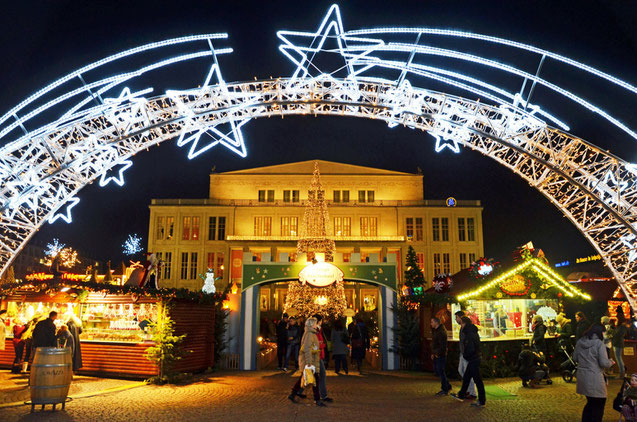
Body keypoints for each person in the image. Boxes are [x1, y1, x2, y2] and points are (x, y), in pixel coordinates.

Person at [573, 323, 615, 422]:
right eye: (603, 332)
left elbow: (575, 358)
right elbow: (604, 363)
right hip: (595, 377)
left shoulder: (580, 342)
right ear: (600, 332)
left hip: (583, 376)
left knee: (590, 403)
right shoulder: (599, 344)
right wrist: (611, 362)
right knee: (599, 404)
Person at [288, 317, 325, 407]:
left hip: (311, 360)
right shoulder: (309, 334)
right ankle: (317, 399)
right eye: (315, 323)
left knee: (304, 378)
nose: (317, 325)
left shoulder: (311, 333)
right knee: (315, 379)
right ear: (312, 325)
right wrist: (309, 362)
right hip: (310, 361)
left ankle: (293, 394)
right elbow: (307, 349)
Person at [451, 316, 486, 408]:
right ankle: (461, 395)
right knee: (467, 377)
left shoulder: (469, 333)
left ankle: (481, 400)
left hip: (473, 359)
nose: (461, 325)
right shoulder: (472, 331)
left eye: (461, 323)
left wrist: (466, 355)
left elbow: (470, 347)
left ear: (464, 323)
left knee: (477, 380)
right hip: (474, 358)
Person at [454, 311, 476, 399]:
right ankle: (468, 390)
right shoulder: (463, 328)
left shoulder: (466, 329)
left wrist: (466, 352)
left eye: (456, 318)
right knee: (461, 370)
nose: (456, 320)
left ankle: (472, 392)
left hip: (466, 354)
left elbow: (467, 341)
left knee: (467, 373)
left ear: (460, 317)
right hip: (463, 353)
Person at [312, 314, 333, 402]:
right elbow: (316, 343)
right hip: (316, 356)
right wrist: (323, 345)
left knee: (307, 376)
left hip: (318, 355)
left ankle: (296, 391)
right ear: (319, 321)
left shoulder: (319, 330)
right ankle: (323, 395)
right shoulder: (314, 331)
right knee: (321, 375)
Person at [431, 316, 452, 395]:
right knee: (439, 370)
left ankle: (445, 388)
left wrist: (437, 353)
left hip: (440, 354)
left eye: (432, 322)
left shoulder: (441, 332)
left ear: (436, 323)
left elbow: (442, 345)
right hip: (438, 353)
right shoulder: (437, 331)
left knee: (440, 371)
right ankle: (447, 386)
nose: (431, 324)